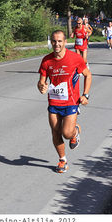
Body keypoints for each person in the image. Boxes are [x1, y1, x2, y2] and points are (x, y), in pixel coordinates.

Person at [37, 30, 92, 173]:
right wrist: (41, 87)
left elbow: (87, 75)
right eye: (54, 41)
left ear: (65, 42)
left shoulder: (75, 58)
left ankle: (75, 132)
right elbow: (41, 82)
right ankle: (62, 160)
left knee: (66, 133)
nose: (56, 44)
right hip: (54, 103)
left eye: (60, 41)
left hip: (71, 102)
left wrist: (85, 95)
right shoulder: (46, 60)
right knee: (55, 132)